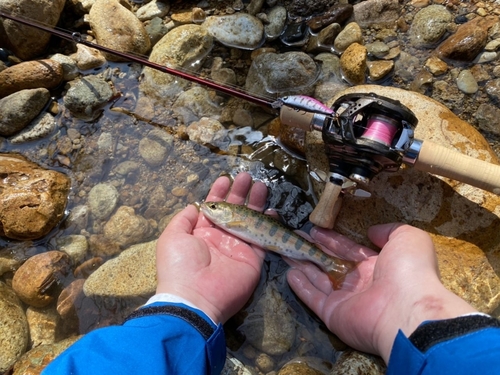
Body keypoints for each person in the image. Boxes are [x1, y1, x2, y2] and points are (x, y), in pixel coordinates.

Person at [43, 172, 500, 374]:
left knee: (305, 252)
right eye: (216, 209)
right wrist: (419, 313)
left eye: (217, 208)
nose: (213, 210)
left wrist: (183, 303)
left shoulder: (225, 215)